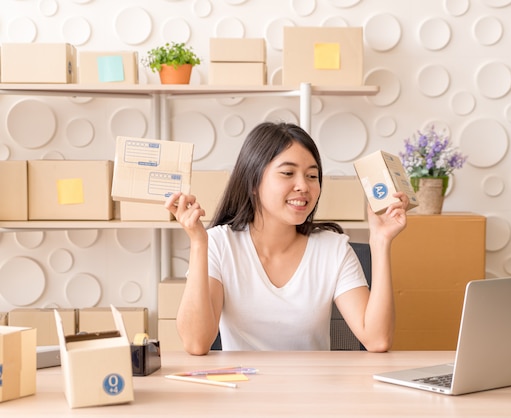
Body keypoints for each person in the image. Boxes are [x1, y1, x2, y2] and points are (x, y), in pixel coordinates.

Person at [165, 121, 409, 354]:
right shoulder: (219, 244)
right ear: (253, 182)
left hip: (314, 392)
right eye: (288, 173)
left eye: (312, 176)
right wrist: (198, 242)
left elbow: (377, 339)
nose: (303, 186)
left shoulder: (333, 249)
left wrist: (379, 240)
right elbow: (197, 343)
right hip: (243, 390)